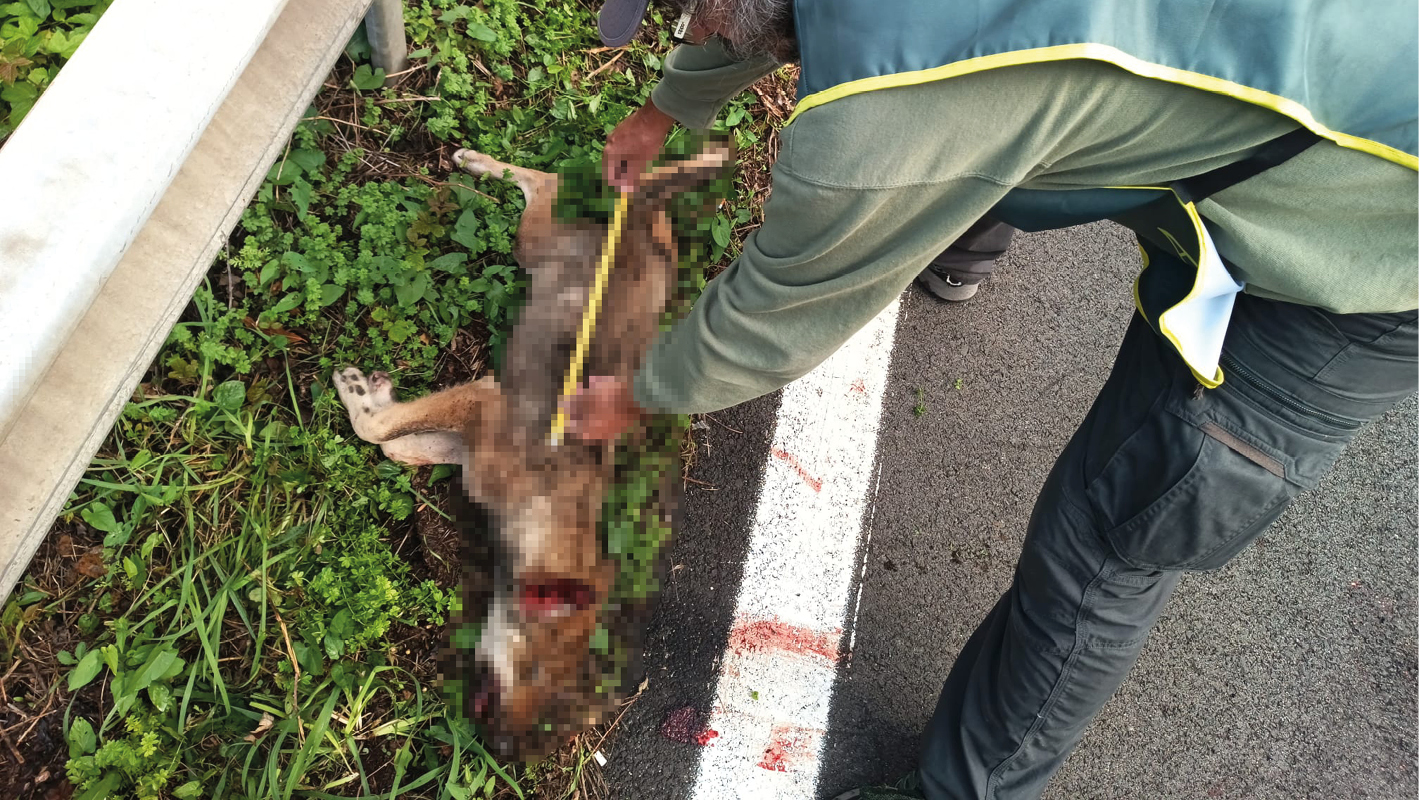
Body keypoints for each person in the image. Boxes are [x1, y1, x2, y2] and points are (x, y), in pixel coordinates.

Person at [573, 1, 1419, 798]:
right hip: (1328, 70)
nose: (691, 26)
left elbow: (772, 319)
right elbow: (757, 15)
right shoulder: (916, 86)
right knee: (1003, 117)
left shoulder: (878, 124)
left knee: (1108, 541)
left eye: (688, 13)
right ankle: (966, 238)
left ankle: (966, 790)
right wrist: (667, 109)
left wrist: (638, 394)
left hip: (1380, 245)